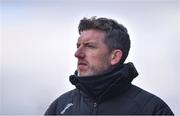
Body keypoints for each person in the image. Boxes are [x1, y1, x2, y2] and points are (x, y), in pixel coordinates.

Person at [45, 17, 174, 115]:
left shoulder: (152, 110)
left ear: (115, 57)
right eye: (78, 46)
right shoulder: (59, 108)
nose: (77, 54)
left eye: (89, 46)